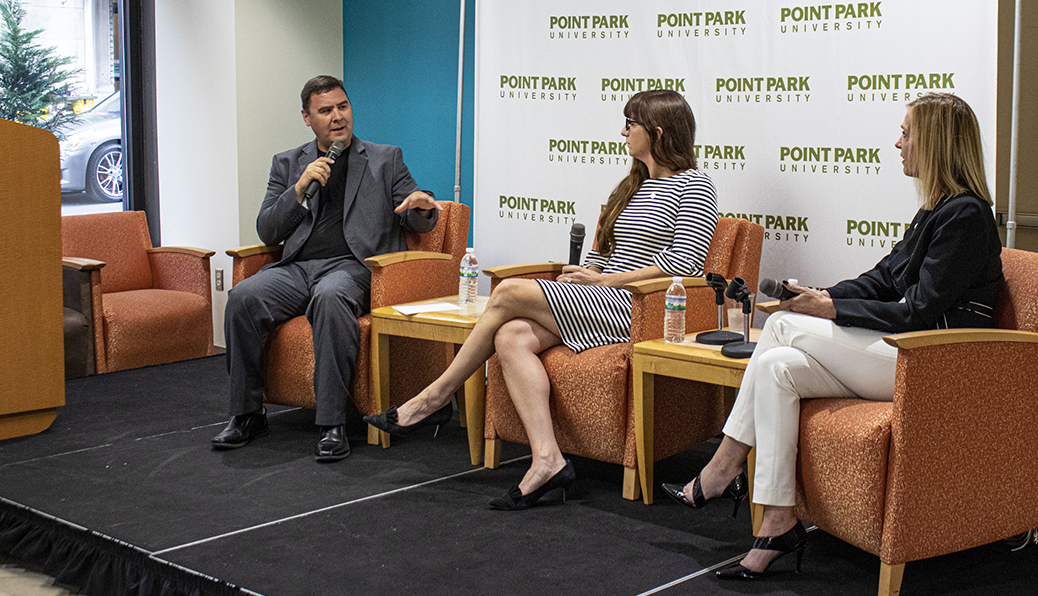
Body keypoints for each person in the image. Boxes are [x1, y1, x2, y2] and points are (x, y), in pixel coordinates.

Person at [662, 92, 1004, 579]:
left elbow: (918, 312)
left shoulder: (967, 216)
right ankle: (778, 522)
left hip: (932, 363)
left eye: (907, 133)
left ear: (936, 143)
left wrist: (831, 308)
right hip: (905, 353)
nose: (897, 143)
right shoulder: (937, 210)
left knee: (779, 326)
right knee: (778, 369)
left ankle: (722, 466)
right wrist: (821, 293)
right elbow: (884, 278)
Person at [365, 89, 719, 509]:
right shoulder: (631, 186)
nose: (622, 131)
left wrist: (608, 282)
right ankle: (548, 460)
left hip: (640, 308)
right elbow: (602, 255)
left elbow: (686, 263)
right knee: (511, 335)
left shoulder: (693, 184)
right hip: (601, 298)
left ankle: (434, 397)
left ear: (657, 133)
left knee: (509, 291)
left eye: (630, 124)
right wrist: (587, 274)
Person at [211, 75, 439, 463]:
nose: (338, 117)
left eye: (343, 107)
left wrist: (422, 206)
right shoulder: (287, 163)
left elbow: (419, 218)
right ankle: (248, 414)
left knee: (331, 296)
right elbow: (267, 230)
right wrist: (298, 188)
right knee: (243, 297)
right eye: (326, 110)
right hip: (297, 267)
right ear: (307, 117)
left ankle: (332, 423)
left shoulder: (385, 159)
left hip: (354, 267)